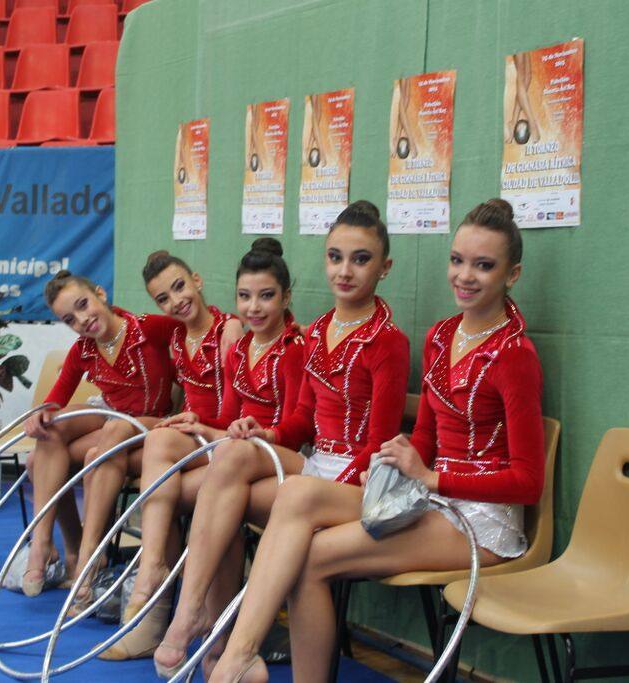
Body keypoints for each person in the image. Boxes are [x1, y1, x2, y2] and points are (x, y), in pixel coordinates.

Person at [207, 198, 546, 683]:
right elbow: (424, 434)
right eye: (457, 260)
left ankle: (239, 657)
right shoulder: (441, 335)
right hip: (430, 497)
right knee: (298, 499)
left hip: (482, 522)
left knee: (310, 555)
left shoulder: (515, 355)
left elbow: (528, 482)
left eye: (483, 265)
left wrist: (432, 478)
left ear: (512, 275)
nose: (465, 276)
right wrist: (391, 462)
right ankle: (240, 654)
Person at [155, 200, 411, 679]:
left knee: (244, 493)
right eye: (335, 257)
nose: (345, 271)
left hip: (360, 479)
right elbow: (303, 423)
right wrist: (266, 433)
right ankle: (196, 616)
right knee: (234, 456)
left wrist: (321, 483)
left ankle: (234, 643)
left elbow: (379, 442)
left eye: (361, 259)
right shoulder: (318, 332)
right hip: (316, 467)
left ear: (385, 267)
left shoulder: (388, 341)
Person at [101, 238, 304, 661]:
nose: (254, 307)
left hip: (270, 455)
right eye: (245, 297)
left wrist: (246, 434)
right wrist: (202, 424)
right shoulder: (240, 346)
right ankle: (159, 578)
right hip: (236, 449)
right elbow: (228, 415)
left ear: (286, 297)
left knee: (197, 493)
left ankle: (200, 623)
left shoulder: (279, 345)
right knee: (161, 443)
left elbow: (296, 426)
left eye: (266, 296)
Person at [63, 251, 243, 616]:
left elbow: (235, 404)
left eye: (179, 287)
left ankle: (132, 570)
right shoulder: (174, 335)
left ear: (197, 280)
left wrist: (237, 321)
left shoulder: (228, 331)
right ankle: (103, 565)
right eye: (163, 298)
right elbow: (130, 326)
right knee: (98, 456)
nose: (176, 301)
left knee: (133, 446)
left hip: (217, 437)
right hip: (185, 434)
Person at [21, 270, 181, 599]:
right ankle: (45, 544)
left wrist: (230, 328)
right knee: (47, 436)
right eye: (70, 319)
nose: (82, 319)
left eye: (83, 305)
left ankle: (88, 556)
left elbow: (196, 327)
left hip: (153, 422)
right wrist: (40, 414)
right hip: (112, 417)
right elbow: (55, 399)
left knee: (86, 445)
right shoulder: (83, 350)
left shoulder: (147, 328)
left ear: (100, 295)